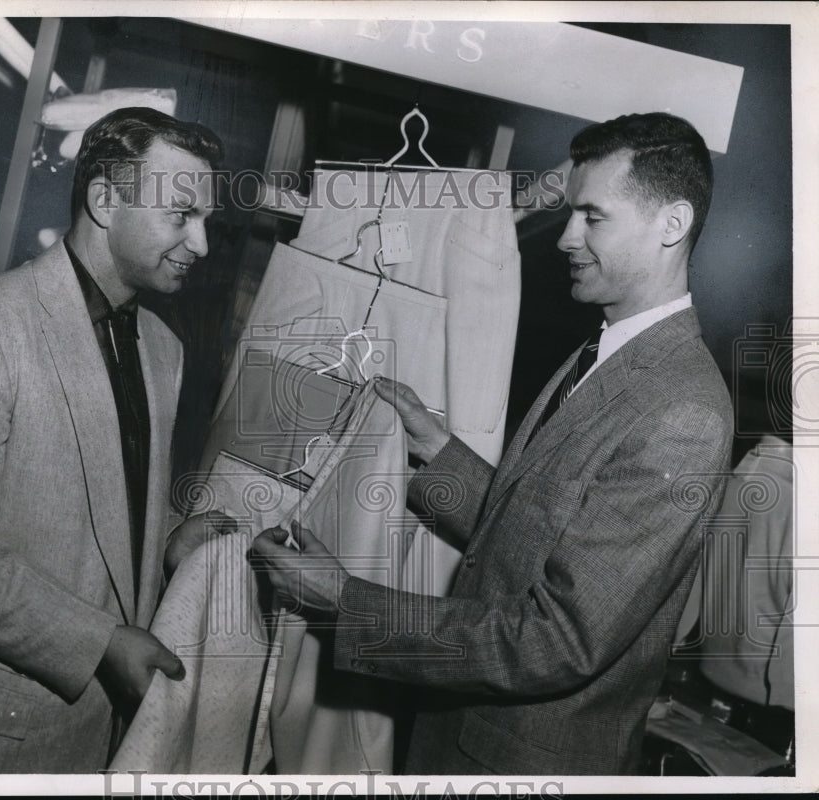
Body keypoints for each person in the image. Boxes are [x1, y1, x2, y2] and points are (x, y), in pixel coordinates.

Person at [251, 112, 734, 775]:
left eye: (592, 218)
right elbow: (537, 538)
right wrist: (436, 452)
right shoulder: (607, 350)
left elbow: (556, 641)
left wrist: (344, 599)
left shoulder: (683, 410)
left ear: (671, 225)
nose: (565, 238)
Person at [0, 107, 229, 773]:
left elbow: (98, 506)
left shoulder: (165, 352)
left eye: (207, 220)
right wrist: (99, 642)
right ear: (104, 201)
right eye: (182, 215)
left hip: (89, 744)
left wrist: (172, 536)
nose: (202, 244)